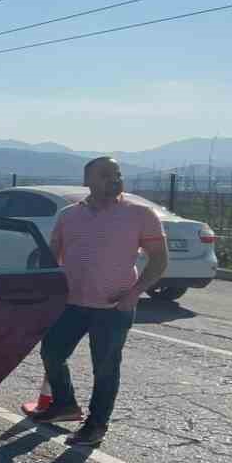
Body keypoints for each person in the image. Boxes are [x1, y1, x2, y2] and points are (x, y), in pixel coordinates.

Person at [27, 156, 167, 447]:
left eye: (117, 173)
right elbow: (53, 257)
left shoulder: (140, 214)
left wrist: (133, 294)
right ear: (87, 181)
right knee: (52, 353)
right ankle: (64, 405)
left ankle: (96, 425)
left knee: (105, 368)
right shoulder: (68, 215)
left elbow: (159, 260)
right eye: (105, 174)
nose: (114, 179)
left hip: (113, 308)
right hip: (72, 304)